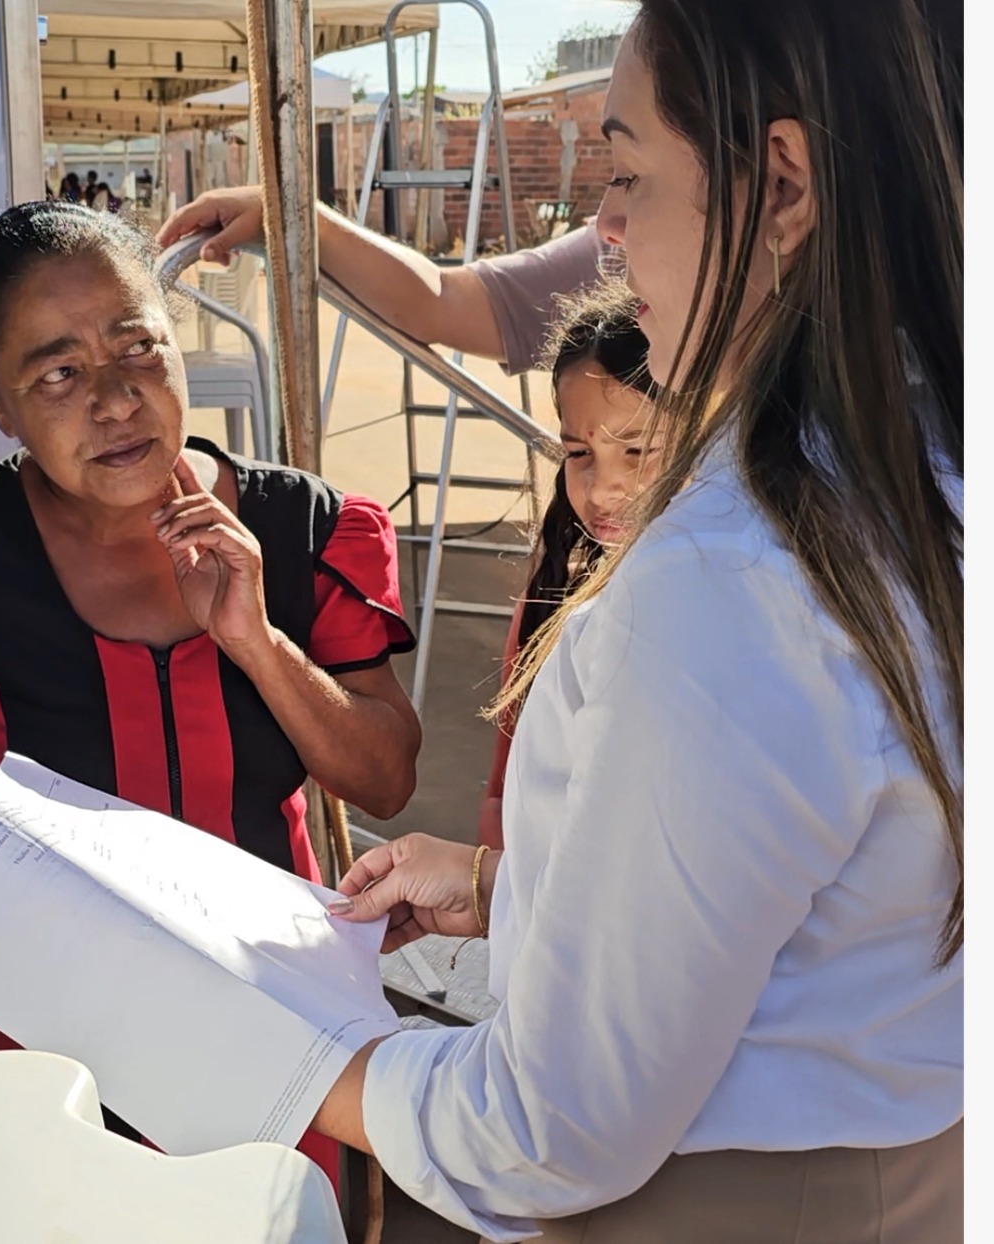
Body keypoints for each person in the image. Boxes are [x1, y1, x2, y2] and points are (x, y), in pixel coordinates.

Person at [311, 1, 962, 1239]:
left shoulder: (735, 577)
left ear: (783, 186)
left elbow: (546, 1132)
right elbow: (836, 899)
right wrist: (518, 881)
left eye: (625, 172)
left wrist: (287, 1047)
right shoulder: (918, 479)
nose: (602, 230)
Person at [0, 199, 421, 1186]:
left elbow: (382, 776)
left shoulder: (304, 531)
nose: (117, 398)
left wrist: (257, 641)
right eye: (58, 373)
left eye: (140, 348)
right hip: (38, 1029)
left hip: (277, 1024)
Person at [479, 297, 657, 851]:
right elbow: (501, 793)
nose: (603, 489)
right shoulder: (553, 598)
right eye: (579, 453)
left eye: (638, 451)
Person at [158, 185, 609, 379]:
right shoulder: (614, 253)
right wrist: (293, 214)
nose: (608, 216)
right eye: (615, 174)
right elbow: (440, 301)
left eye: (636, 174)